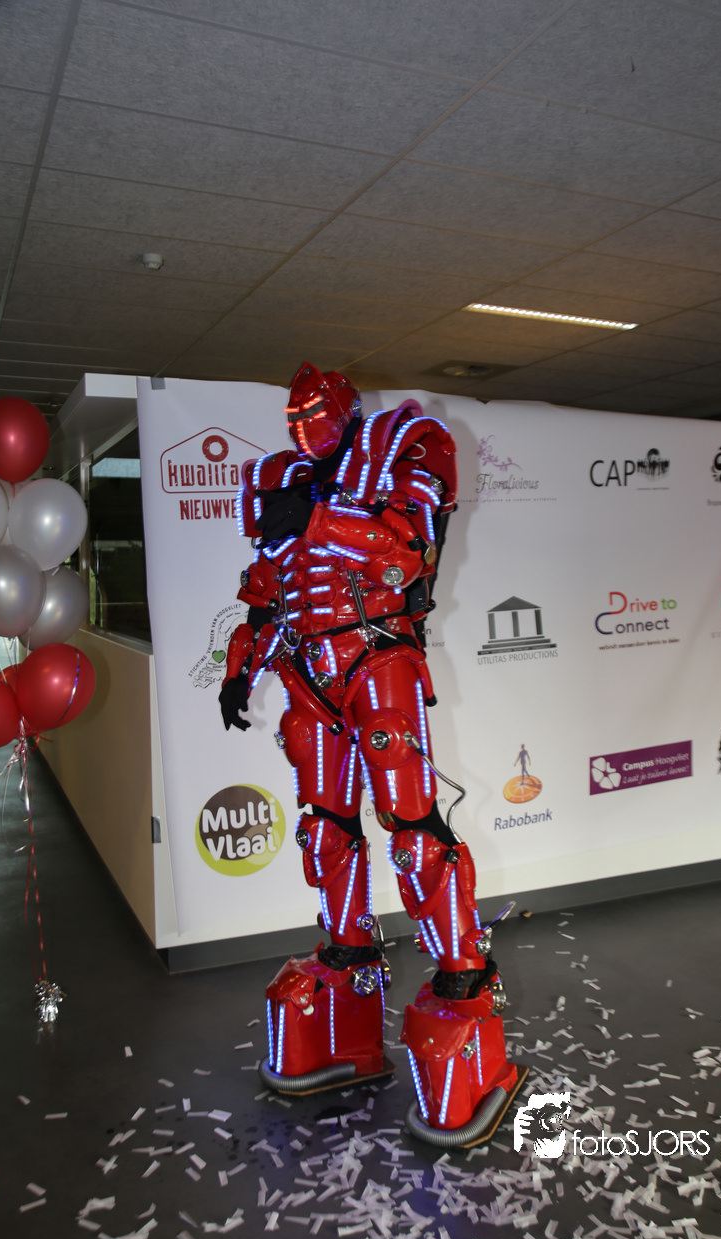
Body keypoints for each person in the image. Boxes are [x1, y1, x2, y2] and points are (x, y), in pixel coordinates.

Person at [220, 363, 522, 1144]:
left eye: (313, 413)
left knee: (414, 831)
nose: (301, 427)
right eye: (293, 417)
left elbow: (404, 555)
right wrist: (239, 668)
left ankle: (462, 975)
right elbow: (268, 589)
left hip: (376, 657)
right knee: (324, 828)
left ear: (345, 407)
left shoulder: (402, 442)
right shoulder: (278, 478)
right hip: (305, 671)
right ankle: (348, 953)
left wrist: (318, 518)